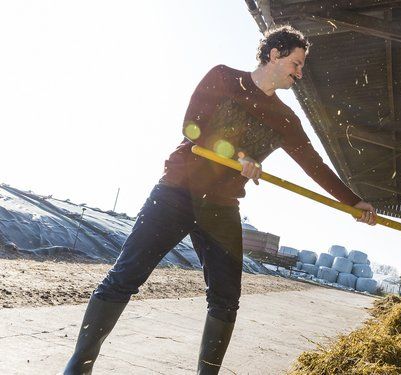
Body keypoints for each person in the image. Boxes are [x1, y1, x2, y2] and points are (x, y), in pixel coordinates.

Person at [63, 25, 376, 374]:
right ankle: (78, 365)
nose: (300, 73)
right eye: (296, 63)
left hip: (222, 206)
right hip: (177, 191)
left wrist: (352, 202)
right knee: (125, 276)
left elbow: (314, 165)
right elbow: (191, 127)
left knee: (226, 299)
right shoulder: (224, 78)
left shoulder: (286, 119)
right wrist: (239, 153)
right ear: (274, 54)